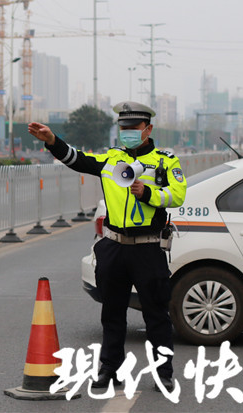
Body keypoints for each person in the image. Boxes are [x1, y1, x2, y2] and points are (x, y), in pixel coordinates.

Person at [28, 101, 187, 393]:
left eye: (133, 127)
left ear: (147, 129)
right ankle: (109, 370)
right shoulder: (111, 159)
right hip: (114, 246)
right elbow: (78, 159)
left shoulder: (166, 161)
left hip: (148, 247)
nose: (126, 132)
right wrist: (52, 142)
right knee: (112, 314)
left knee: (156, 315)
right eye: (123, 127)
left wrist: (148, 192)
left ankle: (163, 373)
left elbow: (177, 196)